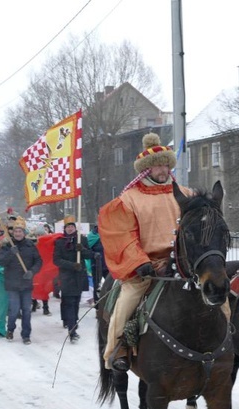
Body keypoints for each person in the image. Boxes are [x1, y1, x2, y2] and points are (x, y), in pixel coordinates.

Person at [98, 132, 194, 371]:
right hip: (148, 267)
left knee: (218, 297)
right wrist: (140, 261)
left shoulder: (185, 194)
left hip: (183, 264)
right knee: (127, 302)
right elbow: (123, 235)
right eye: (156, 165)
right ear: (147, 169)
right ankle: (117, 349)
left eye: (165, 164)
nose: (162, 169)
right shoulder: (129, 199)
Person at [0, 217, 42, 344]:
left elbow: (38, 261)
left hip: (26, 284)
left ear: (24, 232)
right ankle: (10, 329)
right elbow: (1, 262)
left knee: (27, 311)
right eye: (16, 231)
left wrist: (32, 272)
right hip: (12, 284)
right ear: (12, 232)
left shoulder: (30, 245)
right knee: (14, 309)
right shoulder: (7, 246)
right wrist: (11, 253)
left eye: (20, 231)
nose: (18, 233)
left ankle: (26, 334)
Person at [53, 221, 89, 339]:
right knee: (69, 303)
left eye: (72, 227)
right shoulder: (60, 242)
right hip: (66, 276)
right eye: (67, 227)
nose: (70, 229)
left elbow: (89, 254)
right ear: (64, 229)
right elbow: (56, 260)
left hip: (79, 276)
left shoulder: (81, 240)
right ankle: (72, 329)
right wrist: (72, 265)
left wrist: (82, 249)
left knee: (76, 302)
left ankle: (72, 322)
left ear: (75, 228)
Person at [87, 225, 108, 303]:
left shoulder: (108, 234)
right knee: (97, 285)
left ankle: (108, 301)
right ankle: (97, 303)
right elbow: (87, 250)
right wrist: (94, 254)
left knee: (110, 283)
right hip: (96, 265)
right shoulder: (91, 236)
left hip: (108, 265)